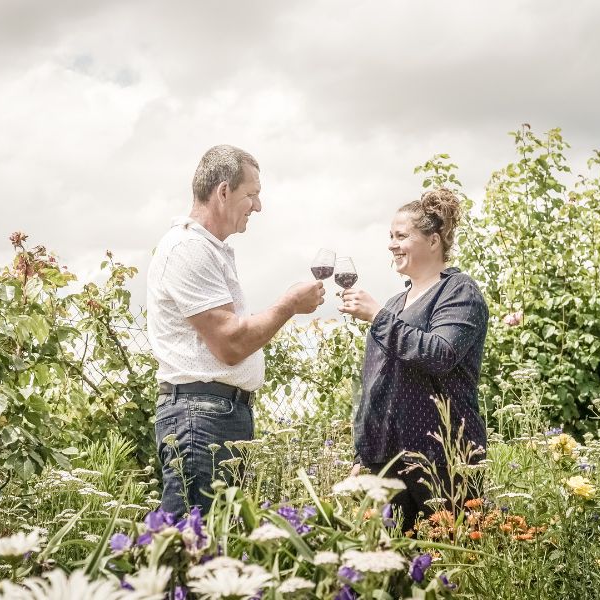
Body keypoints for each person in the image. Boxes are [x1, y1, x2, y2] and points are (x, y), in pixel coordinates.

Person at [147, 145, 325, 517]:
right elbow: (230, 344)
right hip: (200, 418)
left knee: (212, 546)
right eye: (252, 194)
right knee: (192, 549)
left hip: (216, 414)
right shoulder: (188, 248)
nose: (258, 206)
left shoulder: (209, 249)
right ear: (223, 191)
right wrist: (289, 304)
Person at [339, 188, 488, 532]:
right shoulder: (393, 305)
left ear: (433, 241)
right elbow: (376, 384)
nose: (392, 244)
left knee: (452, 561)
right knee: (392, 571)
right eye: (390, 236)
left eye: (401, 235)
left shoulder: (458, 291)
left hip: (443, 456)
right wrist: (363, 455)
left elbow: (440, 354)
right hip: (386, 460)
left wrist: (377, 317)